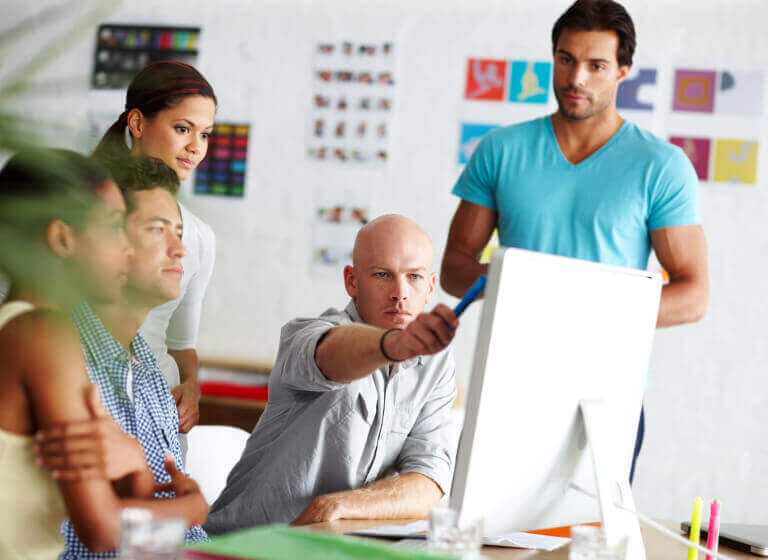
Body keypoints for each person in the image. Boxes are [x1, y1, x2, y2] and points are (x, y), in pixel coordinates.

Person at [440, 0, 709, 482]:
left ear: (624, 71)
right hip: (510, 383)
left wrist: (581, 304)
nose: (576, 78)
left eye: (596, 65)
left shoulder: (661, 167)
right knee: (482, 541)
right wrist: (520, 282)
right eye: (565, 59)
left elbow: (693, 296)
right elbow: (455, 269)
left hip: (606, 394)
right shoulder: (500, 151)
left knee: (588, 547)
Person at [0, 150, 207, 557]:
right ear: (62, 239)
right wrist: (195, 507)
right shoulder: (45, 333)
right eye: (115, 229)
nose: (126, 251)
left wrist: (135, 468)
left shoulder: (24, 324)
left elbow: (124, 509)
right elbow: (101, 530)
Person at [204, 215, 459, 534]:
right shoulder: (305, 335)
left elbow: (428, 483)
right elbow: (329, 356)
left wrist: (340, 506)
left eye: (414, 277)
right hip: (242, 546)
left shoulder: (436, 363)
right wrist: (394, 344)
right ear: (352, 281)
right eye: (383, 275)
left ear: (431, 286)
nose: (400, 293)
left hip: (332, 547)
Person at [93, 61, 218, 437]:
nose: (195, 148)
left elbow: (182, 344)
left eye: (206, 134)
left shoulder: (197, 236)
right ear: (137, 122)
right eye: (183, 128)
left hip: (156, 400)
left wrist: (191, 388)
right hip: (86, 389)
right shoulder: (83, 210)